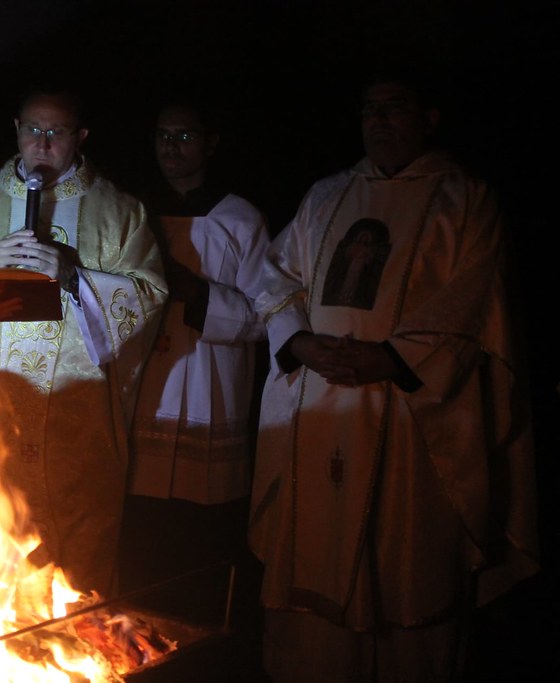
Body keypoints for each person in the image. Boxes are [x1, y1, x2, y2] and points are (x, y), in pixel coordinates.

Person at [248, 70, 539, 682]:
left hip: (411, 411)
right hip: (318, 400)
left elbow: (475, 298)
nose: (378, 121)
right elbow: (275, 275)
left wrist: (395, 359)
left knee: (404, 565)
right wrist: (299, 341)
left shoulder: (464, 199)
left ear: (428, 118)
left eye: (394, 108)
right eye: (369, 110)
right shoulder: (326, 196)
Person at [0, 85, 168, 597]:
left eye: (56, 132)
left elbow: (149, 295)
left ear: (80, 136)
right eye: (32, 130)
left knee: (76, 573)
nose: (41, 143)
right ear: (16, 129)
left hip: (75, 429)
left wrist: (73, 276)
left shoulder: (119, 211)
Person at [121, 97, 270, 600]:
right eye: (163, 136)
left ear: (210, 143)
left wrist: (196, 293)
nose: (172, 147)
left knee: (198, 542)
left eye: (184, 136)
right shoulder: (132, 214)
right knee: (143, 535)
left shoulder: (241, 219)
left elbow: (266, 316)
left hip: (211, 387)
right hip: (147, 385)